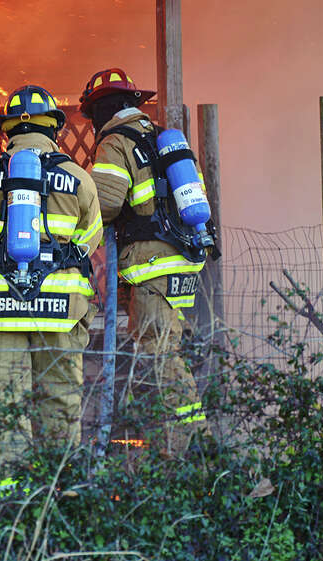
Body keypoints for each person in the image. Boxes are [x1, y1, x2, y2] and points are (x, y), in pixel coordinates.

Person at [0, 84, 102, 473]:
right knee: (61, 406)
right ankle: (61, 495)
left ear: (7, 131)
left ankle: (10, 507)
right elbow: (90, 239)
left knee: (4, 409)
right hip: (59, 312)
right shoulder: (78, 178)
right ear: (54, 128)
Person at [79, 68, 215, 454]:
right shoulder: (163, 140)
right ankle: (175, 439)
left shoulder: (115, 143)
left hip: (153, 265)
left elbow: (104, 203)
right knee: (166, 348)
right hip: (182, 258)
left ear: (101, 111)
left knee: (161, 357)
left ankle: (190, 446)